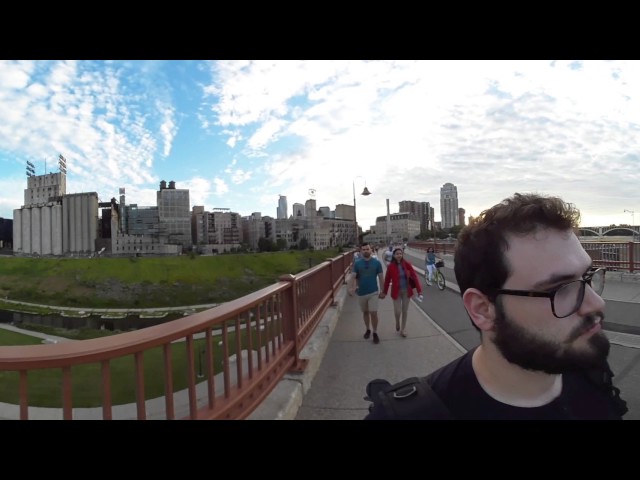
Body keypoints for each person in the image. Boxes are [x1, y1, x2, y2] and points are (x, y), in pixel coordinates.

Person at [366, 192, 627, 420]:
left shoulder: (589, 368)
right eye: (560, 289)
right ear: (482, 309)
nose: (596, 303)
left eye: (587, 277)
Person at [380, 247, 423, 337]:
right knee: (397, 311)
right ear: (394, 256)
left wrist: (419, 291)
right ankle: (397, 322)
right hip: (396, 292)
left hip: (406, 291)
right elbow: (387, 280)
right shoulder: (391, 267)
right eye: (397, 254)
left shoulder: (407, 264)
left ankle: (403, 329)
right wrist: (384, 292)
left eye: (400, 253)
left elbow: (414, 277)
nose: (399, 255)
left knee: (405, 311)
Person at [348, 242, 385, 344]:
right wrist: (351, 288)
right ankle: (368, 329)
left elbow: (381, 277)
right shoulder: (357, 263)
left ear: (371, 250)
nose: (365, 251)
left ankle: (375, 332)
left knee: (373, 312)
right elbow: (353, 276)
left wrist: (383, 290)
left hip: (373, 291)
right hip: (361, 292)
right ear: (360, 251)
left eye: (367, 249)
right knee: (365, 312)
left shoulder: (376, 263)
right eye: (363, 249)